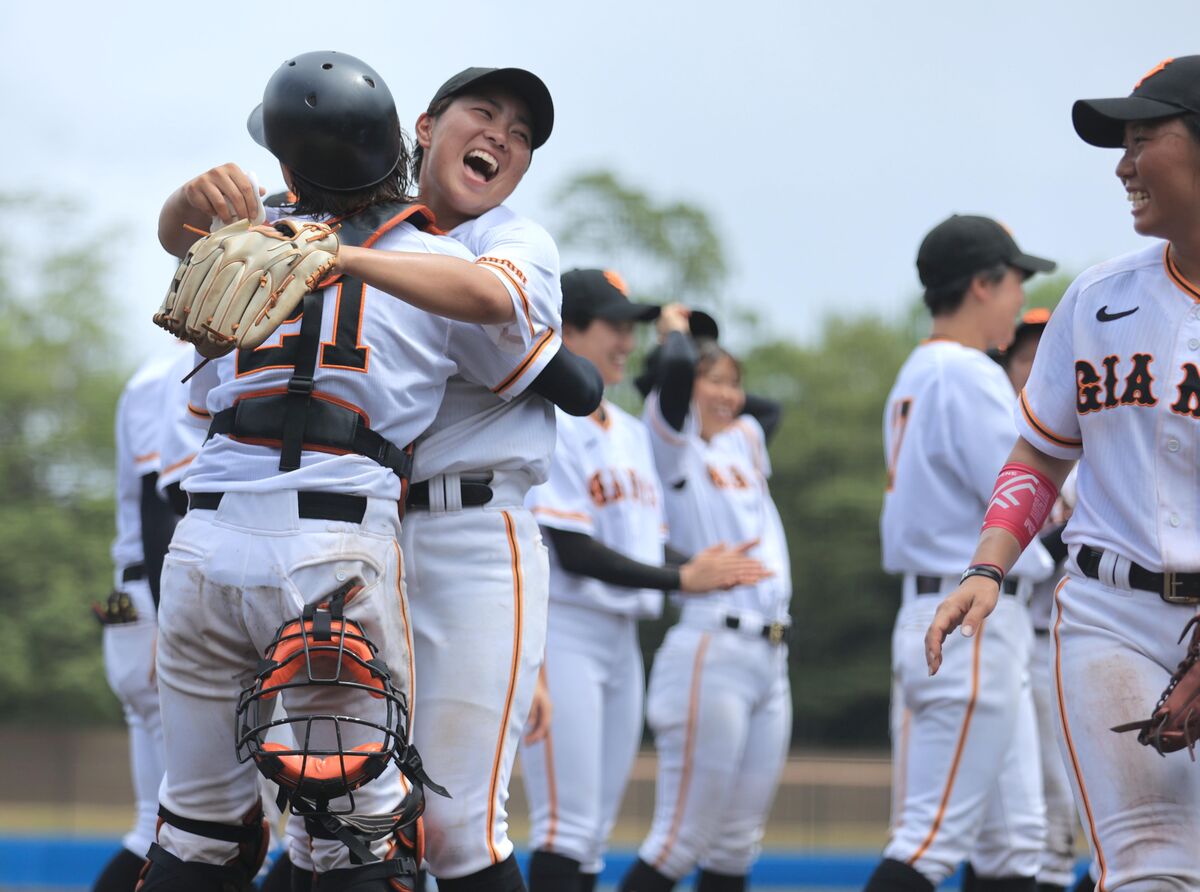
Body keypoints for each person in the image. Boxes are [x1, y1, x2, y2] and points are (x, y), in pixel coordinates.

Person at [161, 65, 600, 892]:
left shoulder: (504, 240)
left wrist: (332, 252)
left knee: (449, 827)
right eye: (484, 111)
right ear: (422, 130)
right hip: (353, 537)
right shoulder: (357, 238)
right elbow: (558, 368)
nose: (503, 135)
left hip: (463, 533)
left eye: (523, 132)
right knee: (336, 825)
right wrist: (204, 211)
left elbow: (549, 357)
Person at [926, 56, 1200, 891]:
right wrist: (988, 563)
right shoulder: (1098, 299)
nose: (1122, 164)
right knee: (1152, 868)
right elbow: (1044, 448)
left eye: (1143, 138)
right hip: (1111, 613)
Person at [520, 272, 771, 892]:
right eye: (615, 326)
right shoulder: (547, 417)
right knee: (564, 826)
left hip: (622, 635)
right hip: (564, 630)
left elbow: (740, 410)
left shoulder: (630, 432)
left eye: (635, 328)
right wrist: (681, 577)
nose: (627, 341)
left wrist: (678, 341)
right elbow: (574, 551)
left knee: (596, 832)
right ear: (568, 328)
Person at [865, 214, 1058, 892]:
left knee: (1014, 846)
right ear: (982, 284)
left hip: (948, 609)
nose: (1017, 298)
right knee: (930, 839)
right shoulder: (968, 374)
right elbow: (1028, 498)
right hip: (969, 617)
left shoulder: (921, 370)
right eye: (1014, 282)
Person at [618, 308, 791, 892]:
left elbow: (768, 409)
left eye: (733, 380)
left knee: (737, 844)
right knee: (679, 840)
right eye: (710, 378)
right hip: (709, 645)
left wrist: (714, 374)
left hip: (770, 652)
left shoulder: (742, 441)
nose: (727, 393)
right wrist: (677, 337)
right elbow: (670, 376)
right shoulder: (672, 447)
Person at [995, 310, 1089, 892]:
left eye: (1043, 354)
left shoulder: (1085, 444)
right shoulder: (999, 439)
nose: (1034, 367)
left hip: (1064, 644)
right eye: (1023, 356)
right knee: (1029, 820)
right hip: (1017, 641)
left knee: (1061, 818)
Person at [90, 354, 180, 892]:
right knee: (194, 830)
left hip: (147, 594)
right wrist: (175, 621)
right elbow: (160, 502)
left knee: (159, 826)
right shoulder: (163, 375)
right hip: (156, 594)